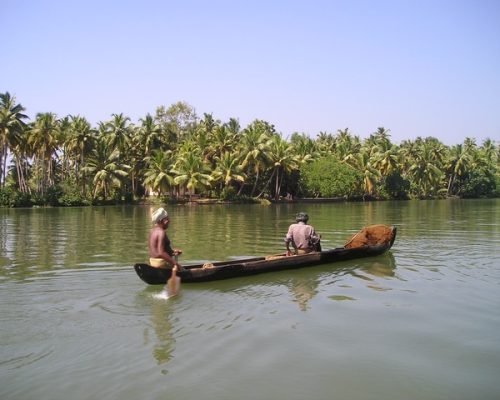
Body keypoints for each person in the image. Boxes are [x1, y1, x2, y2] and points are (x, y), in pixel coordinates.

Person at [149, 207, 183, 296]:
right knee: (183, 270)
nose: (169, 221)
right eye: (167, 219)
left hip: (153, 262)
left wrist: (172, 252)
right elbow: (161, 252)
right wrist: (175, 264)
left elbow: (157, 250)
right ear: (161, 220)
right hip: (161, 263)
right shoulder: (161, 233)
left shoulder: (152, 231)